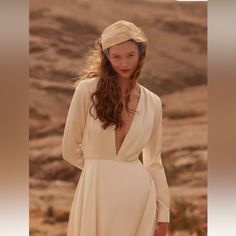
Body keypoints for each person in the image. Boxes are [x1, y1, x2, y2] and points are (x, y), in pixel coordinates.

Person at [62, 20, 171, 236]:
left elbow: (154, 161)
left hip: (139, 197)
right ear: (106, 56)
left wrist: (164, 213)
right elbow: (69, 149)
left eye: (130, 55)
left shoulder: (153, 102)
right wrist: (101, 170)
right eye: (116, 56)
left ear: (141, 54)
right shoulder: (86, 91)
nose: (124, 63)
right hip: (96, 192)